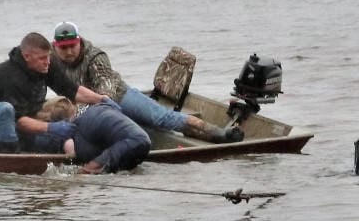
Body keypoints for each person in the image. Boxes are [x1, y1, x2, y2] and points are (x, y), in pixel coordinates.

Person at [49, 22, 242, 143]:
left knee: (162, 118)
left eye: (71, 46)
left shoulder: (96, 57)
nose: (68, 52)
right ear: (55, 47)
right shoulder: (49, 58)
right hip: (88, 107)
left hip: (118, 96)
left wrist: (79, 113)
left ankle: (218, 133)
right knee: (147, 130)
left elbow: (105, 94)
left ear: (79, 42)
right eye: (63, 48)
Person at [0, 32, 105, 152]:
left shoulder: (46, 64)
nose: (47, 62)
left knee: (64, 106)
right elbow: (18, 121)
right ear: (27, 57)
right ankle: (9, 153)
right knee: (6, 111)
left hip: (21, 114)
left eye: (48, 56)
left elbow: (72, 90)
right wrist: (51, 127)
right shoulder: (11, 76)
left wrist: (102, 99)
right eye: (42, 58)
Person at [39, 97, 151, 174]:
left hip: (132, 141)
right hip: (142, 141)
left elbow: (70, 148)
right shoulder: (101, 108)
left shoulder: (74, 130)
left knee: (82, 174)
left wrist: (81, 172)